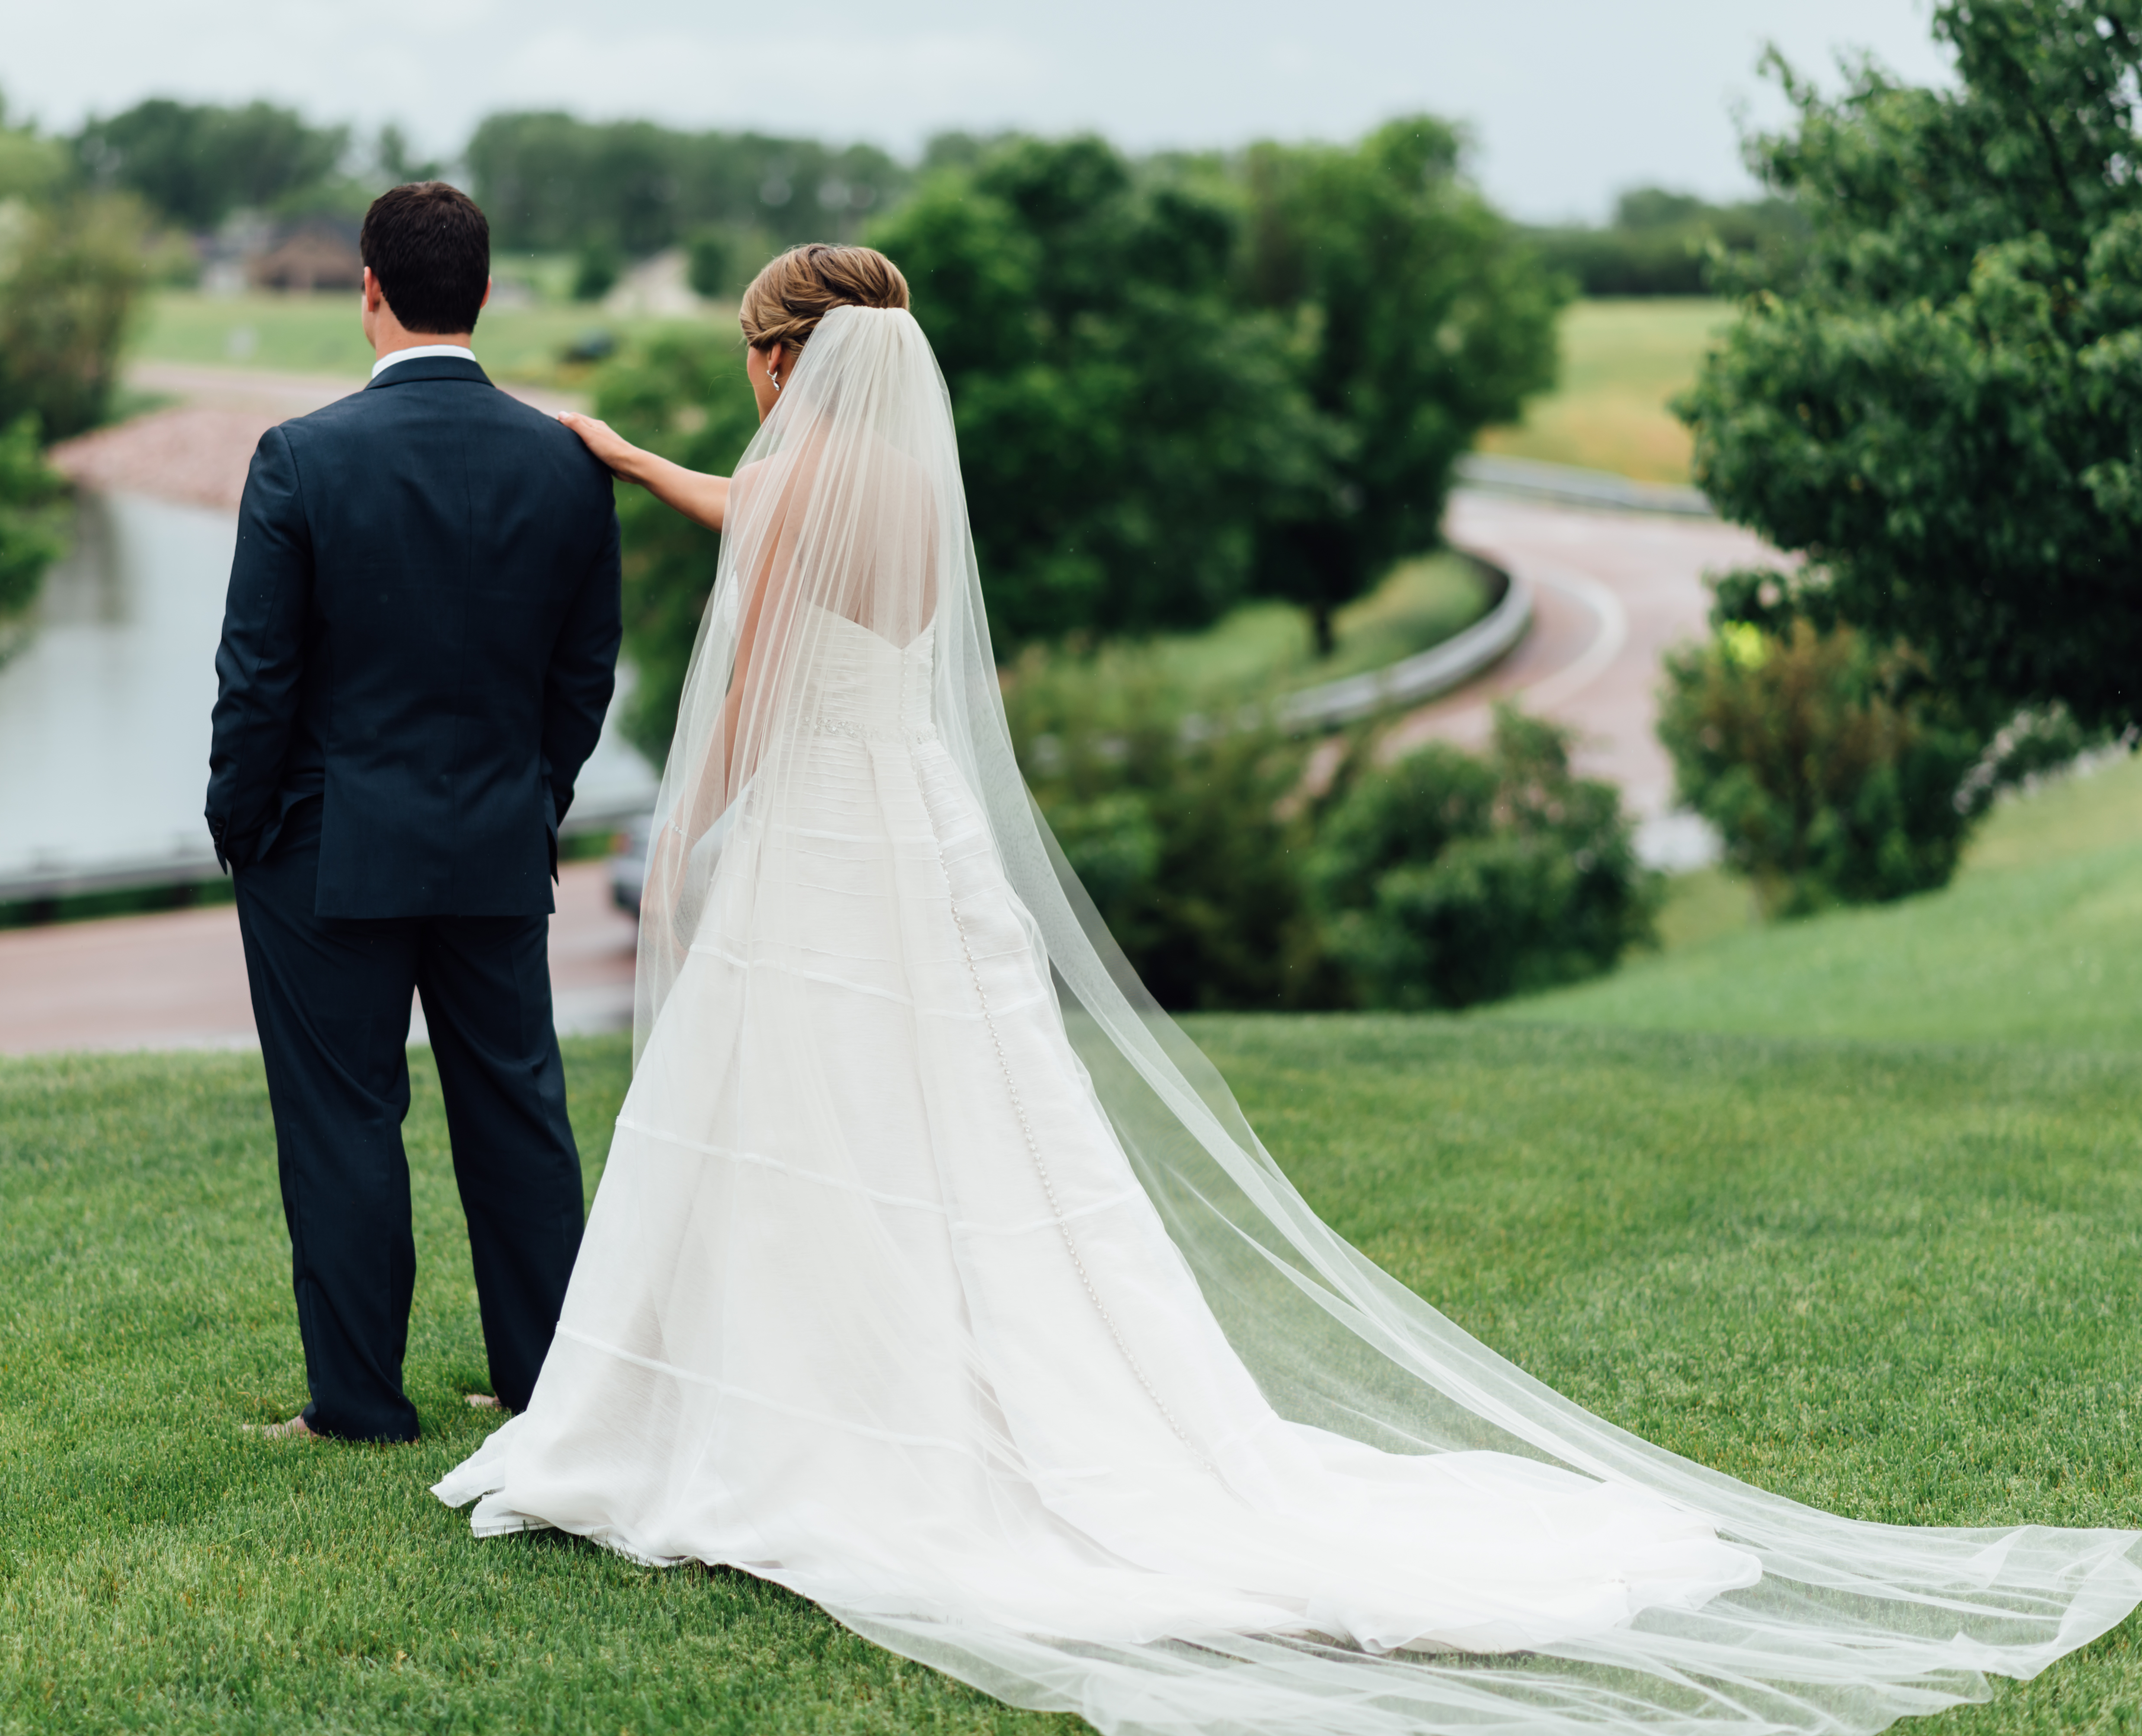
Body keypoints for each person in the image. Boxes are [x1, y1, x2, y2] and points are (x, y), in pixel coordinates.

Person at [433, 242, 2141, 1733]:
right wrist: (641, 459)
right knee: (954, 1130)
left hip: (815, 834)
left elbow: (748, 650)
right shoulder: (903, 481)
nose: (752, 390)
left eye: (754, 362)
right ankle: (902, 1389)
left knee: (805, 1113)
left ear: (785, 360)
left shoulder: (806, 475)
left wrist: (694, 827)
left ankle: (789, 1418)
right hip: (912, 838)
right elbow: (781, 535)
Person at [206, 183, 620, 1444]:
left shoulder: (301, 457)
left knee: (344, 1119)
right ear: (484, 295)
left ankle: (360, 1404)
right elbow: (583, 672)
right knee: (518, 1114)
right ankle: (547, 1387)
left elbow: (258, 676)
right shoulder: (567, 460)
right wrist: (530, 799)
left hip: (326, 852)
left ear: (368, 291)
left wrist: (241, 822)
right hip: (496, 834)